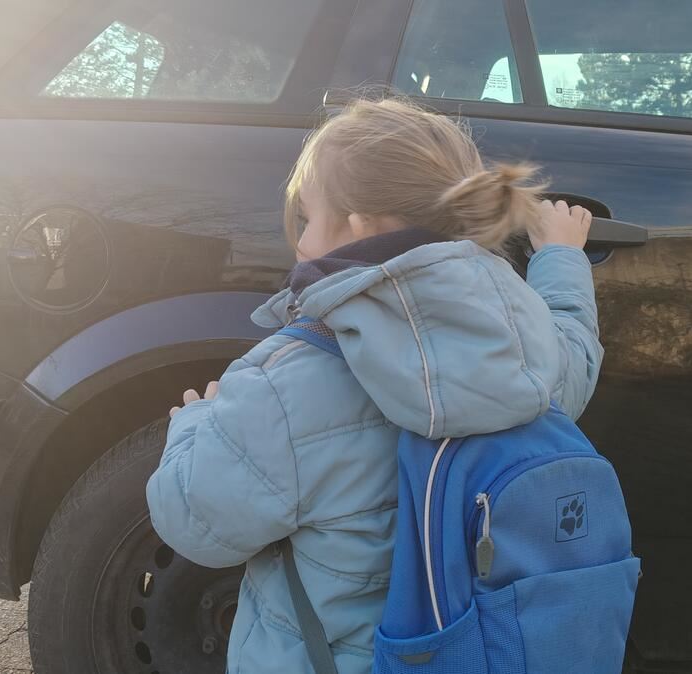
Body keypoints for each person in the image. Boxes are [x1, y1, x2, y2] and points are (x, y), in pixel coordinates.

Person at [146, 97, 602, 674]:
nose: (301, 239)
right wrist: (561, 257)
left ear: (358, 225)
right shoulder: (525, 343)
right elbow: (576, 355)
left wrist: (194, 423)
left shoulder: (286, 380)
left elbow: (197, 525)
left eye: (308, 217)